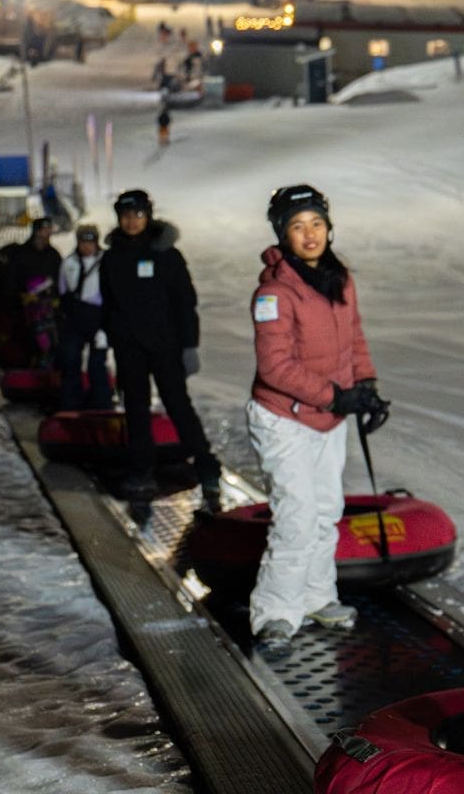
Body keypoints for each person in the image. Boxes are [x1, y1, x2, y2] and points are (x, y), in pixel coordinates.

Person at [246, 184, 388, 649]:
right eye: (297, 226)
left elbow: (355, 339)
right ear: (282, 234)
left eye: (317, 224)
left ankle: (315, 596)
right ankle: (275, 611)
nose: (309, 235)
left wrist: (364, 388)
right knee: (297, 516)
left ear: (329, 228)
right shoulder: (274, 292)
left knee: (326, 511)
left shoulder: (338, 278)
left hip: (327, 417)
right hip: (284, 420)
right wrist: (335, 396)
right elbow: (275, 367)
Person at [99, 188, 221, 505]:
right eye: (125, 216)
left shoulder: (166, 254)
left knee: (178, 405)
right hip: (130, 349)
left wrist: (189, 346)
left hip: (166, 345)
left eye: (137, 215)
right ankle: (142, 470)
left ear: (147, 216)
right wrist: (108, 334)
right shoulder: (112, 257)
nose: (131, 221)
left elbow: (184, 302)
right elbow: (108, 303)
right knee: (136, 410)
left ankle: (206, 465)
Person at [56, 224, 113, 411]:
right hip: (75, 318)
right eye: (83, 242)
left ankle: (101, 407)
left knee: (97, 366)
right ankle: (70, 406)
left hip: (99, 317)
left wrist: (107, 326)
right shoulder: (68, 262)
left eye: (90, 242)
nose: (87, 246)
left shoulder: (107, 262)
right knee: (71, 363)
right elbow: (63, 292)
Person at [7, 217, 63, 368]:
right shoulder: (21, 254)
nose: (45, 234)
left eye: (48, 231)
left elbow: (60, 280)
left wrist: (56, 298)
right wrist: (20, 297)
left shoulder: (53, 255)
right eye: (43, 230)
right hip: (25, 306)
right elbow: (12, 279)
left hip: (48, 307)